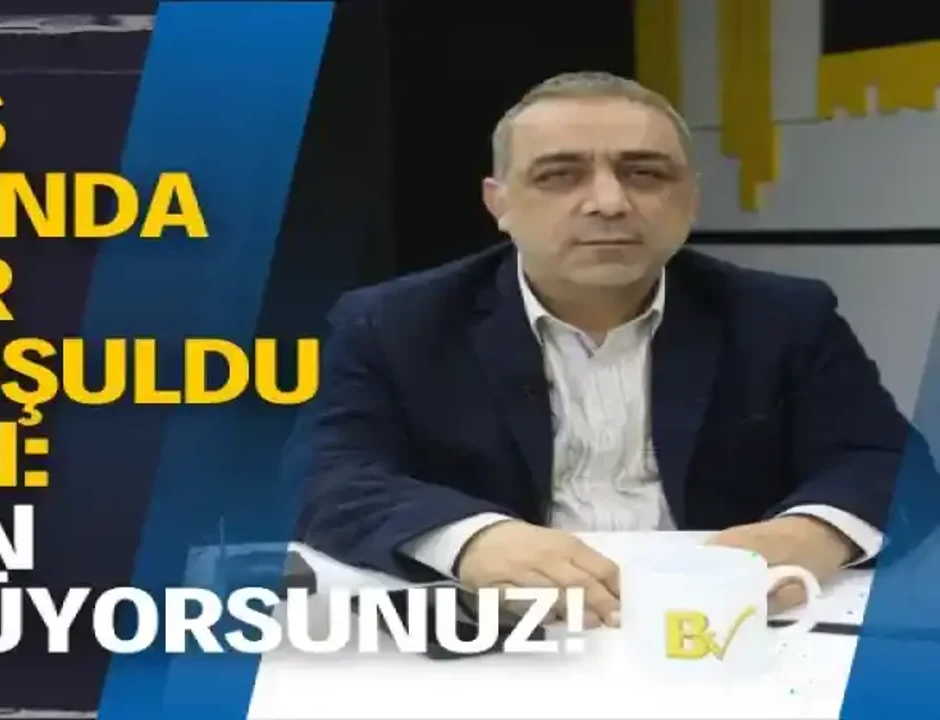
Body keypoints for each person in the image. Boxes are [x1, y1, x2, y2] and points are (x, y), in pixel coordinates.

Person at [295, 71, 924, 629]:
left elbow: (890, 463)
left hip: (725, 631)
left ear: (691, 197)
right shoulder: (392, 322)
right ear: (499, 203)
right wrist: (473, 540)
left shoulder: (784, 316)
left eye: (644, 173)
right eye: (559, 175)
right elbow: (325, 473)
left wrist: (809, 534)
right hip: (513, 637)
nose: (610, 202)